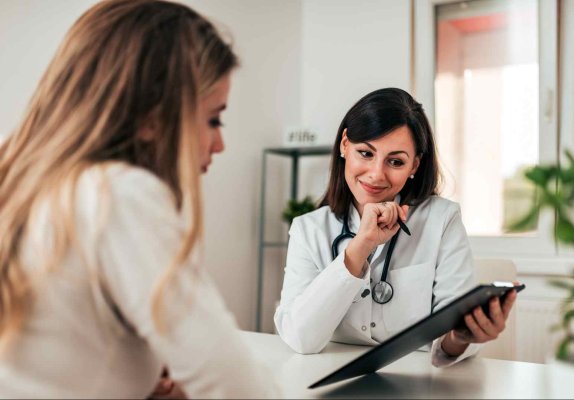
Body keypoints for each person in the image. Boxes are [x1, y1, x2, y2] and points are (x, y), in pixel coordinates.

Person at [0, 0, 279, 398]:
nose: (220, 144)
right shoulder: (116, 194)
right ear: (151, 118)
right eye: (213, 119)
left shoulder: (19, 180)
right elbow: (235, 383)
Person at [274, 88, 518, 367]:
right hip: (326, 376)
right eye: (365, 153)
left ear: (415, 164)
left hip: (420, 382)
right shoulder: (308, 230)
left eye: (395, 161)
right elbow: (300, 339)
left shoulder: (442, 219)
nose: (377, 174)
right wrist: (359, 247)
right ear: (344, 145)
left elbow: (448, 336)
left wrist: (462, 337)